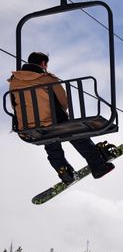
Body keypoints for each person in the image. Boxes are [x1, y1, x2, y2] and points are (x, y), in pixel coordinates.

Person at [8, 52, 114, 183]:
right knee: (77, 134)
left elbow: (14, 103)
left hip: (27, 127)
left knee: (50, 143)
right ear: (43, 64)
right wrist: (61, 111)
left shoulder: (14, 81)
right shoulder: (47, 78)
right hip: (51, 121)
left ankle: (64, 171)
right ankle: (98, 166)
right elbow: (63, 101)